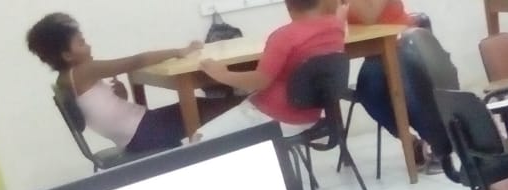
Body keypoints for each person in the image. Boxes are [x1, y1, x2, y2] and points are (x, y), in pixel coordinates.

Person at [26, 13, 215, 153]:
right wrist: (179, 51)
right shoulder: (83, 71)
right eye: (82, 43)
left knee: (202, 106)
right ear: (67, 55)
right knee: (215, 105)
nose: (89, 46)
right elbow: (136, 61)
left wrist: (121, 96)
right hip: (146, 132)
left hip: (137, 134)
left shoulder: (65, 79)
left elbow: (100, 112)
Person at [196, 0, 348, 140]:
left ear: (288, 5)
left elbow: (260, 81)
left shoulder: (285, 36)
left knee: (199, 138)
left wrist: (222, 74)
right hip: (311, 115)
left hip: (275, 118)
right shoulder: (336, 27)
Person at [345, 0, 438, 171]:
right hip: (377, 54)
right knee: (367, 89)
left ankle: (436, 143)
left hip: (405, 43)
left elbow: (369, 16)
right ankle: (411, 142)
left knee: (404, 82)